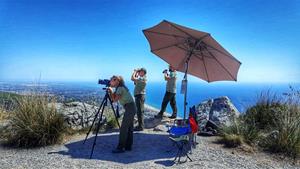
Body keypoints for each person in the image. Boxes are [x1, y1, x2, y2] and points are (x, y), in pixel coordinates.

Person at [107, 75, 136, 153]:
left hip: (129, 108)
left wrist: (110, 91)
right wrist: (112, 91)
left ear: (117, 81)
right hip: (131, 107)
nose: (111, 81)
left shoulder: (119, 88)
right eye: (111, 79)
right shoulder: (121, 87)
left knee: (123, 128)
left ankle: (120, 147)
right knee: (129, 128)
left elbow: (114, 100)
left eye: (113, 79)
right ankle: (128, 146)